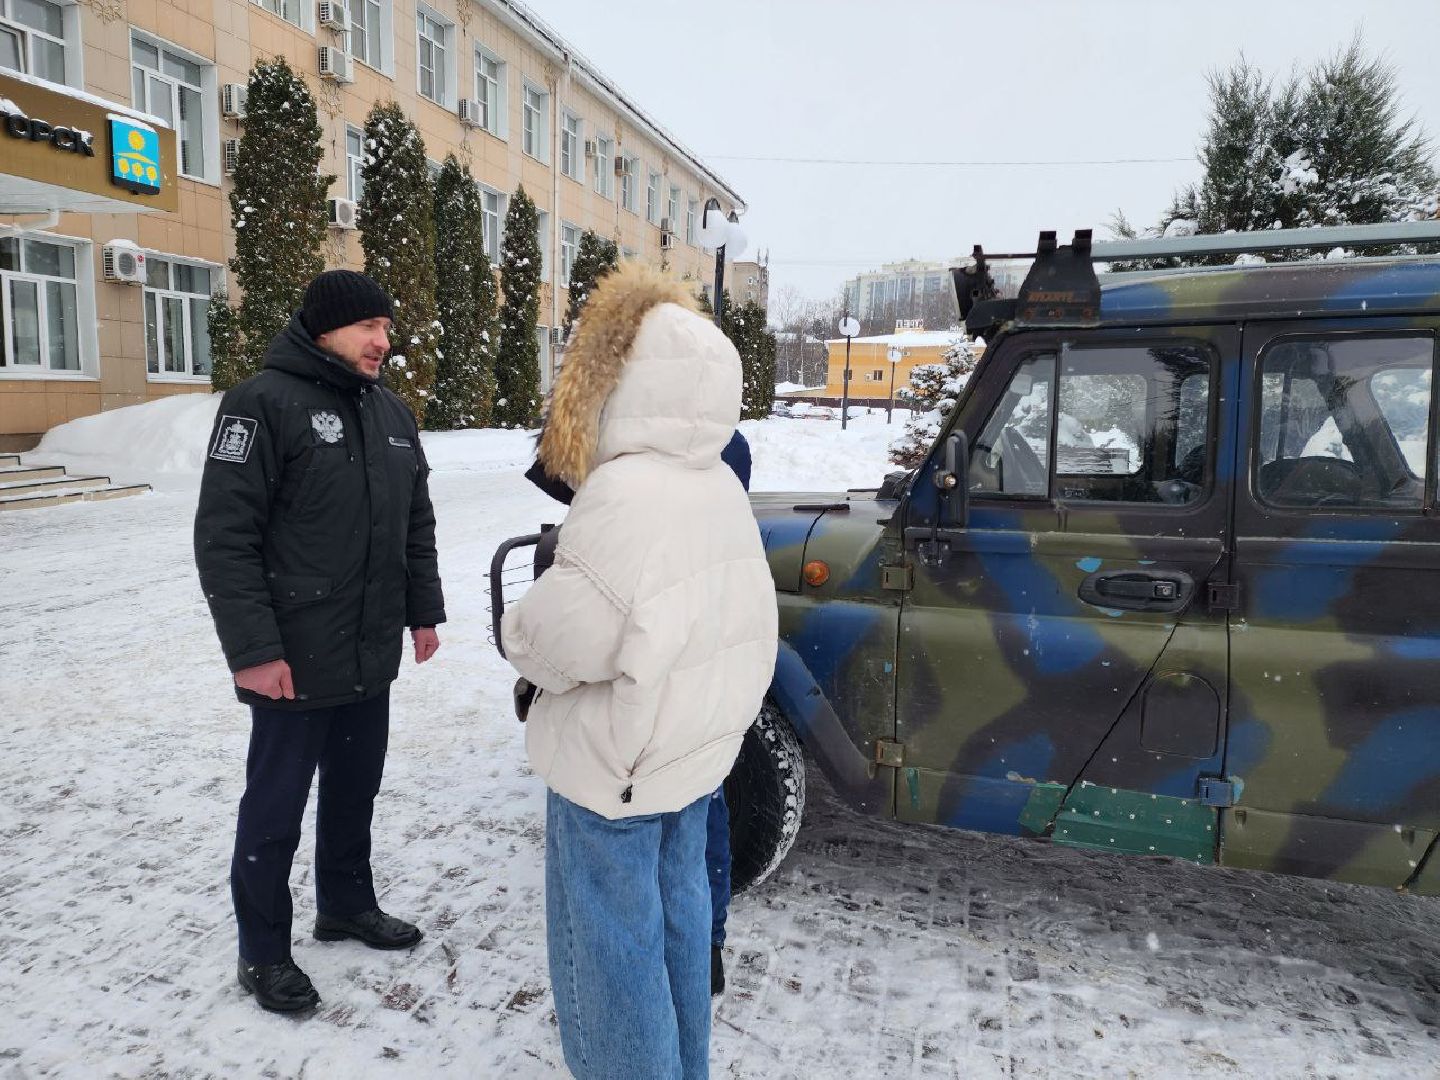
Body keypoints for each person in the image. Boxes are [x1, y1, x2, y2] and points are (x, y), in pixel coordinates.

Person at [502, 262, 777, 1078]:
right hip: (688, 760)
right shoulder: (717, 482)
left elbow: (557, 642)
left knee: (611, 962)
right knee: (680, 930)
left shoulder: (624, 492)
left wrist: (519, 628)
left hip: (614, 770)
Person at [194, 270, 445, 1014]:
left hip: (369, 647)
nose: (383, 341)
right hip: (292, 656)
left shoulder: (391, 412)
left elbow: (416, 522)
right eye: (369, 326)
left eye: (387, 327)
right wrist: (252, 651)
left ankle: (345, 904)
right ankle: (263, 950)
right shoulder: (261, 404)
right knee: (274, 811)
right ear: (326, 328)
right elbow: (225, 537)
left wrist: (423, 612)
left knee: (355, 787)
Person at [525, 429, 752, 1000]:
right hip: (697, 675)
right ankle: (700, 950)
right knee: (696, 822)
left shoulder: (647, 462)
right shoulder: (716, 449)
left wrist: (527, 643)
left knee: (630, 880)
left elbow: (561, 637)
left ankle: (660, 976)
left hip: (634, 709)